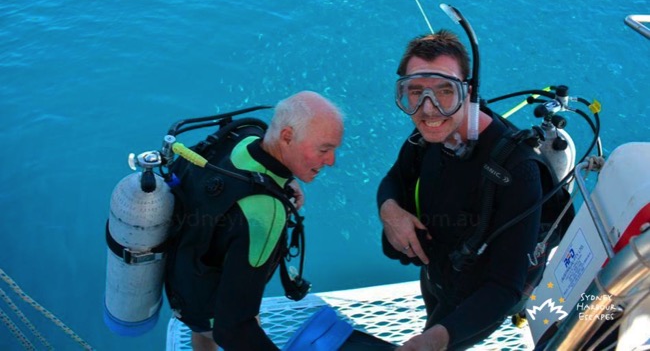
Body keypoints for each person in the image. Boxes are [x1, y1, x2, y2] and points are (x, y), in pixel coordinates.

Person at [377, 31, 544, 351]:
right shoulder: (425, 138)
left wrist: (437, 339)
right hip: (435, 276)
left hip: (473, 305)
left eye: (444, 91)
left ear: (469, 91)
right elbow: (394, 180)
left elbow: (504, 287)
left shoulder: (518, 170)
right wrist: (390, 211)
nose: (428, 109)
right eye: (415, 92)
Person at [165, 90, 344, 351]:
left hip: (183, 283)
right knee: (239, 325)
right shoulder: (264, 213)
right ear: (286, 137)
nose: (331, 161)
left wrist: (285, 179)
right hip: (212, 308)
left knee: (204, 334)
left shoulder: (243, 136)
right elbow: (232, 330)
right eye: (324, 149)